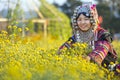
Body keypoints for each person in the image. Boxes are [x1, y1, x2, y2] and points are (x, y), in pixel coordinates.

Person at [58, 2, 120, 75]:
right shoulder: (76, 36)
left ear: (92, 19)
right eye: (79, 20)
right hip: (83, 69)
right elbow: (63, 49)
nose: (82, 22)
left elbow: (102, 47)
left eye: (86, 19)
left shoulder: (102, 34)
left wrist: (89, 58)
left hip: (106, 70)